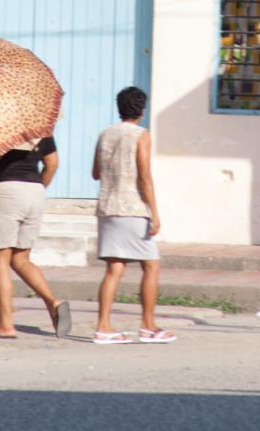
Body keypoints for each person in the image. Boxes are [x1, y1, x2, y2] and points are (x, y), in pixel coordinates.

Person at [92, 86, 176, 345]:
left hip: (108, 206)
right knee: (151, 265)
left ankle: (103, 326)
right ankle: (148, 325)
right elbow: (144, 176)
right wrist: (155, 212)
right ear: (142, 109)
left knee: (114, 269)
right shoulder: (141, 135)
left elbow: (95, 172)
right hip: (132, 208)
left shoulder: (106, 133)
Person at [0, 137, 71, 339]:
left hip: (6, 190)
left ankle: (5, 325)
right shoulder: (36, 125)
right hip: (34, 191)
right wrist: (37, 188)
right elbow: (52, 163)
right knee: (20, 259)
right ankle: (53, 302)